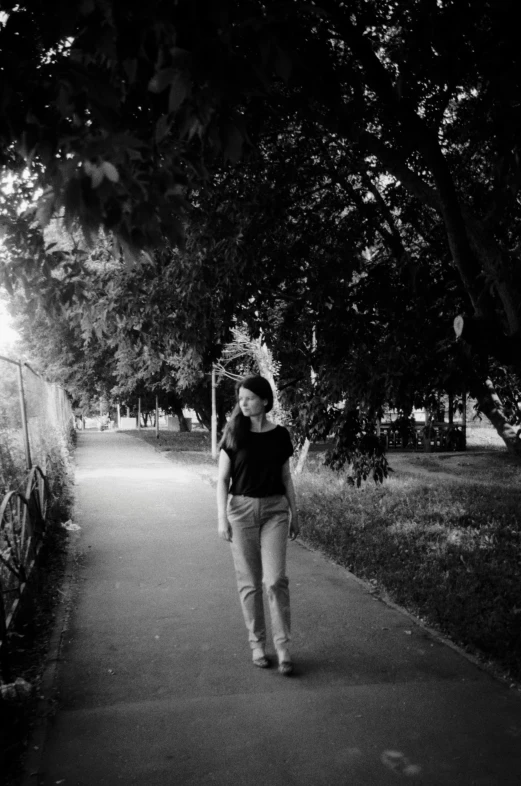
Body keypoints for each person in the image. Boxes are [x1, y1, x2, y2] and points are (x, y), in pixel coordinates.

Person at [217, 375, 299, 676]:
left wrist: (295, 513)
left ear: (265, 400)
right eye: (241, 398)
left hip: (275, 511)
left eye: (249, 397)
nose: (244, 403)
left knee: (275, 580)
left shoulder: (280, 435)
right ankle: (257, 644)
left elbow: (287, 478)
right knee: (250, 582)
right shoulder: (234, 434)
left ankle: (282, 647)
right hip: (241, 512)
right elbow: (222, 481)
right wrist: (221, 517)